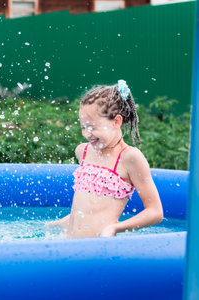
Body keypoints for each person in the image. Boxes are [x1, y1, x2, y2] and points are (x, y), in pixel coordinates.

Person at [46, 80, 163, 238]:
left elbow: (155, 212)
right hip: (69, 244)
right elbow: (89, 208)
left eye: (93, 127)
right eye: (83, 127)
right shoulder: (84, 152)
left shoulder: (129, 158)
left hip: (98, 248)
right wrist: (61, 223)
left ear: (116, 121)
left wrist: (114, 228)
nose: (87, 134)